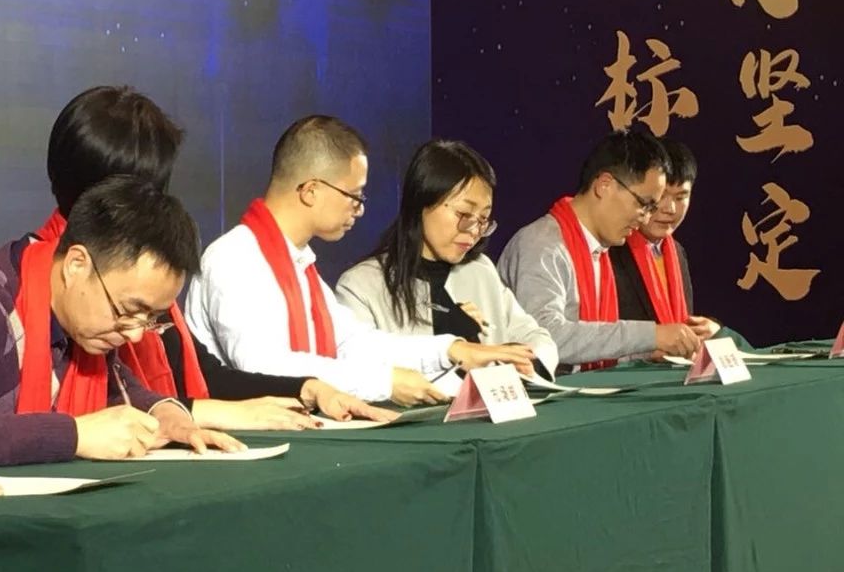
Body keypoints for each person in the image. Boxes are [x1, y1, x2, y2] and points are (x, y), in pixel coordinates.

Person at [40, 85, 393, 425]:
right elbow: (123, 409)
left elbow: (199, 376)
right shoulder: (39, 286)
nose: (134, 332)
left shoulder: (142, 278)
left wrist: (306, 387)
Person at [0, 175, 246, 465]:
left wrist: (164, 415)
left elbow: (116, 391)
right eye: (127, 311)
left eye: (151, 319)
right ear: (76, 265)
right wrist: (75, 435)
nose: (136, 334)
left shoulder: (81, 322)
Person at [185, 116, 533, 404]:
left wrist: (451, 349)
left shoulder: (300, 264)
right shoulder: (235, 259)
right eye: (354, 195)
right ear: (311, 191)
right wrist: (385, 382)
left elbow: (353, 342)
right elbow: (265, 366)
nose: (360, 209)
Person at [336, 139, 555, 378]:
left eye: (483, 219)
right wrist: (451, 344)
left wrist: (519, 361)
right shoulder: (361, 286)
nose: (474, 230)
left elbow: (538, 339)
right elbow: (360, 371)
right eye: (464, 214)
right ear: (422, 202)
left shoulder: (480, 271)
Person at [497, 129, 701, 371]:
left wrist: (643, 351)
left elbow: (592, 344)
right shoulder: (541, 245)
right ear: (605, 185)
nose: (646, 218)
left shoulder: (599, 248)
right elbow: (544, 339)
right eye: (643, 204)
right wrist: (651, 335)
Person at [609, 139, 721, 341]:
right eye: (661, 196)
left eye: (680, 197)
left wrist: (709, 329)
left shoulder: (677, 251)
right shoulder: (609, 249)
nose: (670, 209)